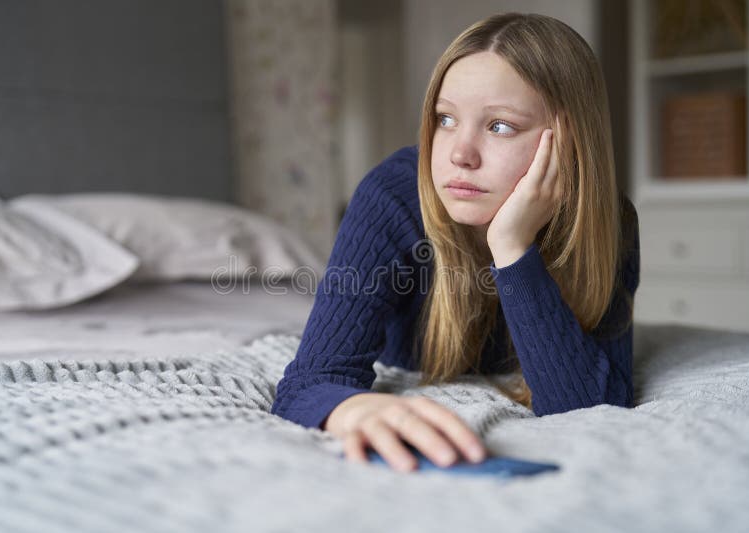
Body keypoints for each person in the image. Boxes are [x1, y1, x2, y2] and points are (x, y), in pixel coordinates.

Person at [270, 12, 640, 474]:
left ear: (568, 140)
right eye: (446, 119)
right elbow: (310, 381)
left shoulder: (608, 220)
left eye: (500, 126)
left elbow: (589, 406)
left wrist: (513, 249)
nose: (459, 154)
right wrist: (353, 409)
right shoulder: (394, 195)